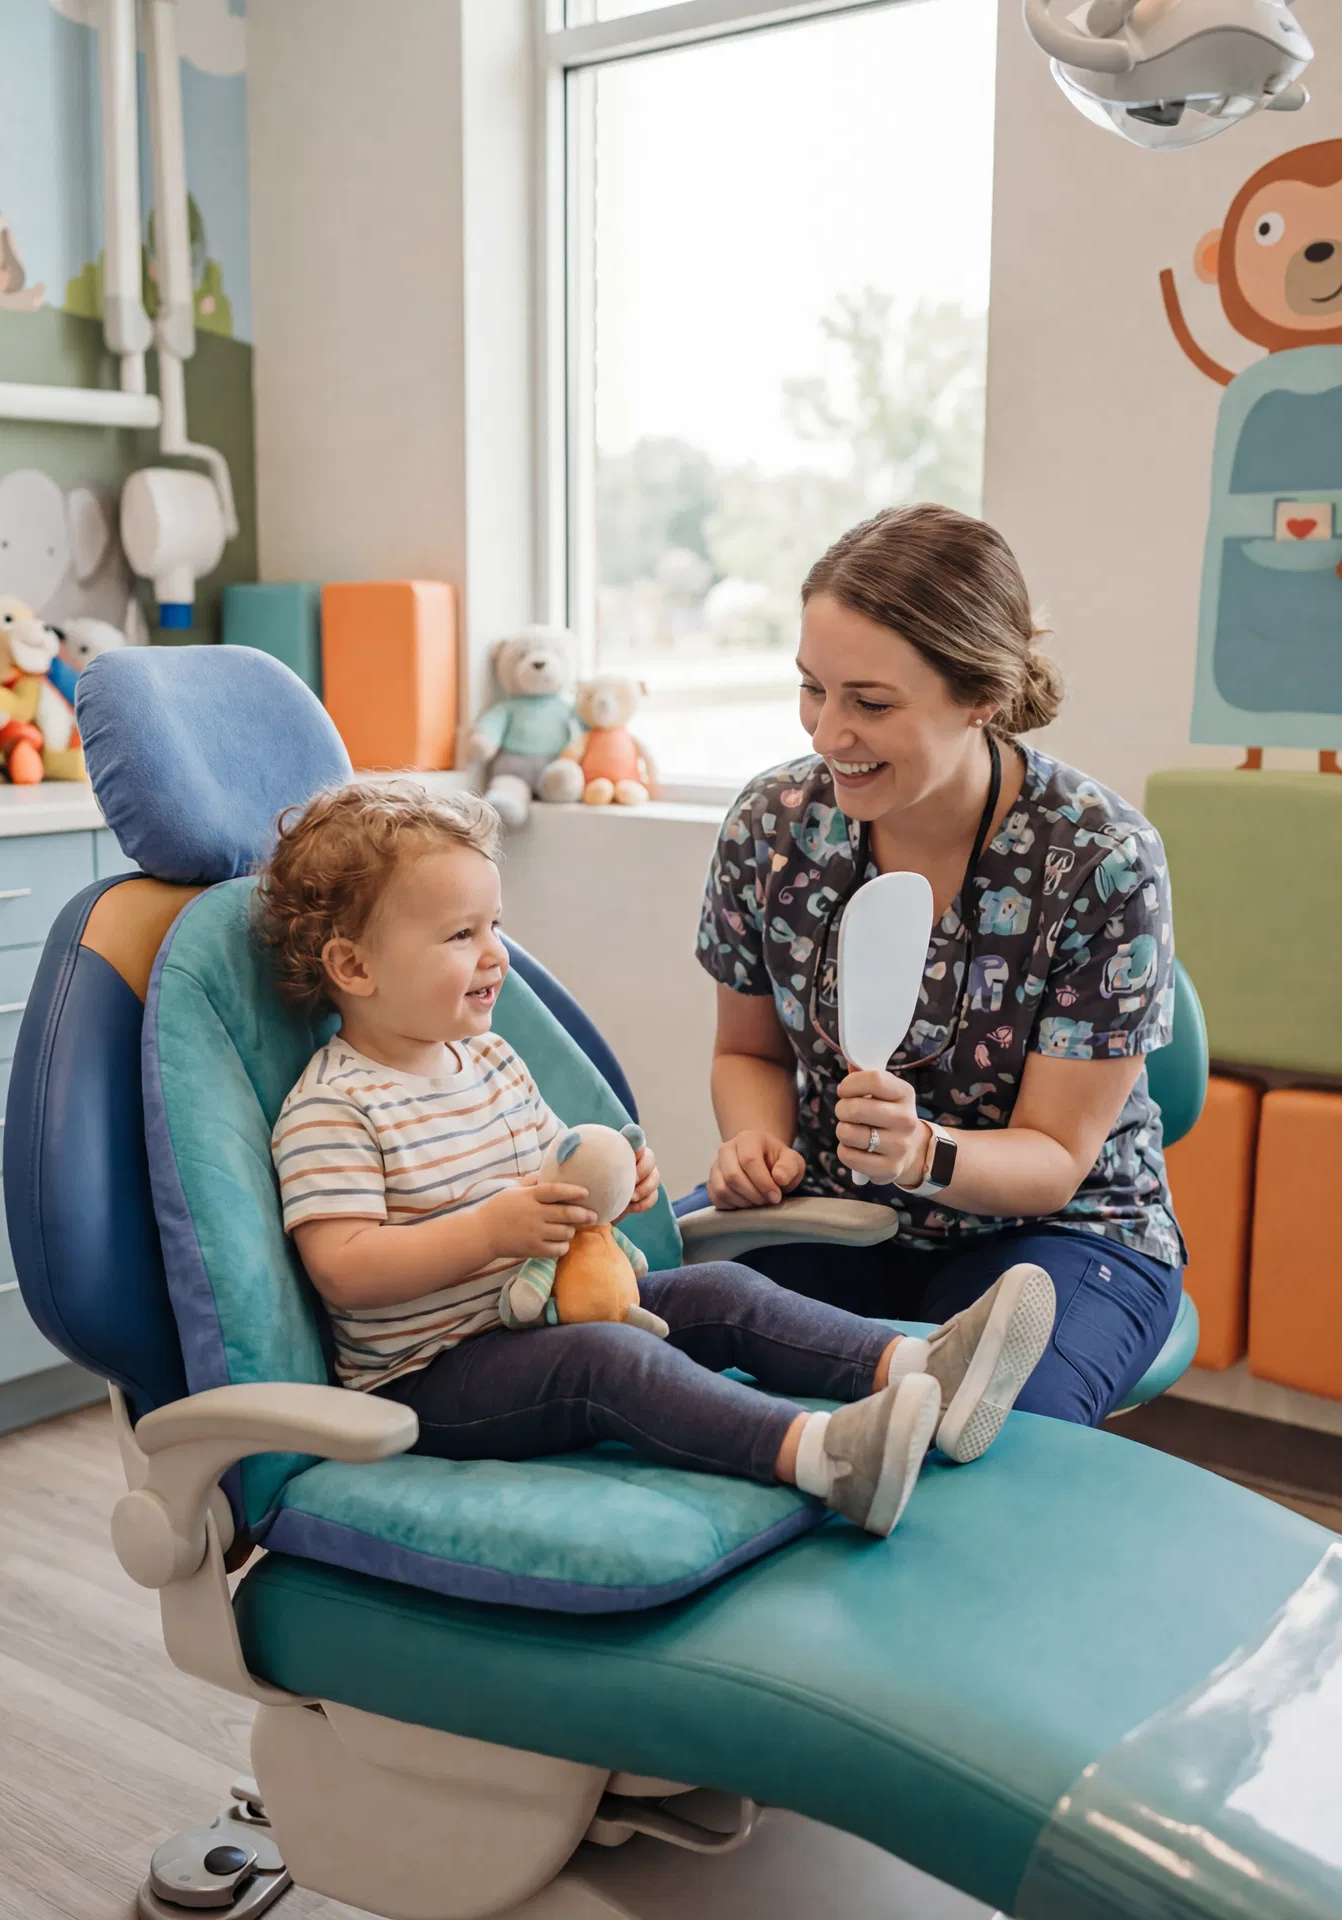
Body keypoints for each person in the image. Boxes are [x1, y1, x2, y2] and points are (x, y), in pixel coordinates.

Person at [258, 781, 1055, 1540]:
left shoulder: (490, 1059)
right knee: (611, 1363)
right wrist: (491, 1230)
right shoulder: (335, 1107)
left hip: (543, 1314)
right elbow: (345, 1269)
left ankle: (921, 1367)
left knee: (721, 1291)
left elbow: (555, 1166)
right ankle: (828, 1456)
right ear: (354, 968)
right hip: (433, 1378)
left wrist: (612, 1185)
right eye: (461, 936)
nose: (496, 955)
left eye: (495, 925)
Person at [697, 503, 1184, 1427]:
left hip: (1059, 1233)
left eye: (870, 703)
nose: (825, 733)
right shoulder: (771, 827)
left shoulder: (1103, 858)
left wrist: (924, 1153)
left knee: (982, 1435)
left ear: (981, 696)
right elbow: (750, 1055)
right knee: (649, 1348)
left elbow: (1053, 1160)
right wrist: (755, 1142)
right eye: (813, 689)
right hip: (833, 1208)